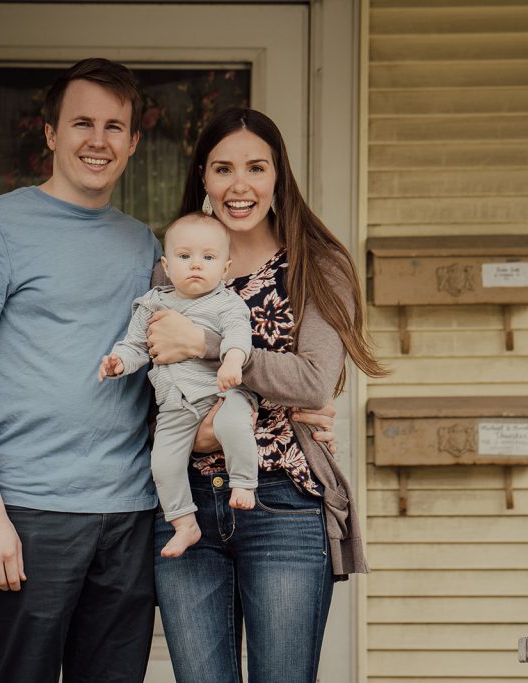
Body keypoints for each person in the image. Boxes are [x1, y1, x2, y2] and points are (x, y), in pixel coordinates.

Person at [145, 107, 388, 683]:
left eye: (256, 167)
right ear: (203, 177)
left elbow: (312, 380)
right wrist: (194, 428)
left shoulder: (316, 267)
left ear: (278, 174)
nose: (240, 185)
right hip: (187, 506)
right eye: (223, 168)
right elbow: (153, 381)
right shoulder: (173, 270)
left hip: (283, 506)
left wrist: (203, 343)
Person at [0, 58, 161, 682]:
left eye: (114, 127)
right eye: (82, 123)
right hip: (30, 512)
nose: (98, 140)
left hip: (129, 514)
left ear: (133, 143)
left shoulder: (144, 244)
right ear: (51, 133)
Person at [100, 213, 259, 559]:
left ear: (225, 268)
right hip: (175, 403)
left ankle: (244, 482)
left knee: (233, 424)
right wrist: (119, 361)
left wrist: (232, 361)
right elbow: (136, 345)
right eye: (185, 256)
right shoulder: (152, 304)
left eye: (208, 257)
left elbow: (238, 335)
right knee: (163, 463)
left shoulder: (226, 302)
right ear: (166, 266)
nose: (196, 265)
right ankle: (185, 523)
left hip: (222, 392)